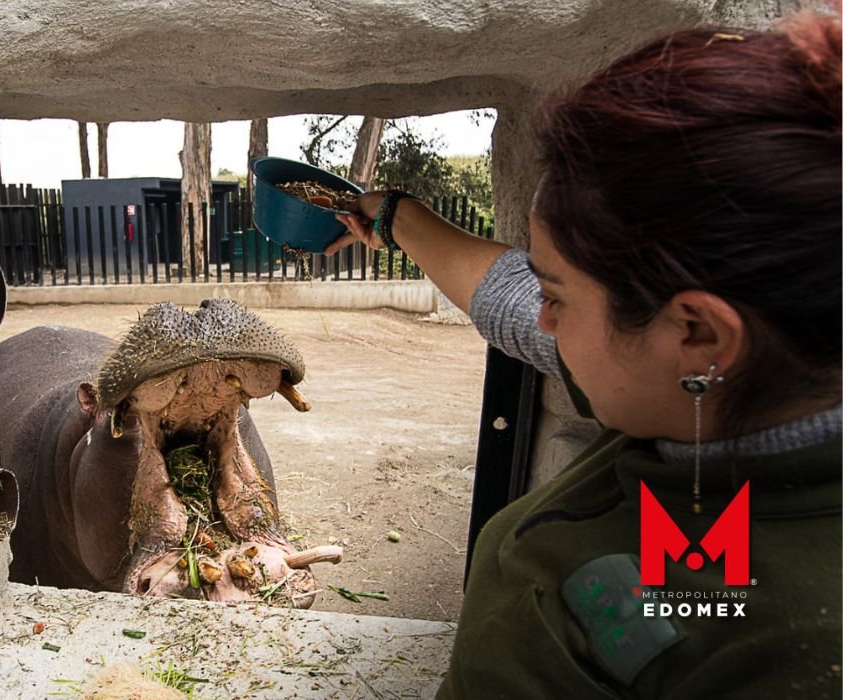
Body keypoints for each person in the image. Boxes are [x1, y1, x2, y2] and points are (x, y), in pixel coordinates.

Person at [329, 10, 840, 699]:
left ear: (698, 334)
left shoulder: (780, 649)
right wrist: (394, 216)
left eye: (559, 297)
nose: (544, 321)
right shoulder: (738, 383)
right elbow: (508, 298)